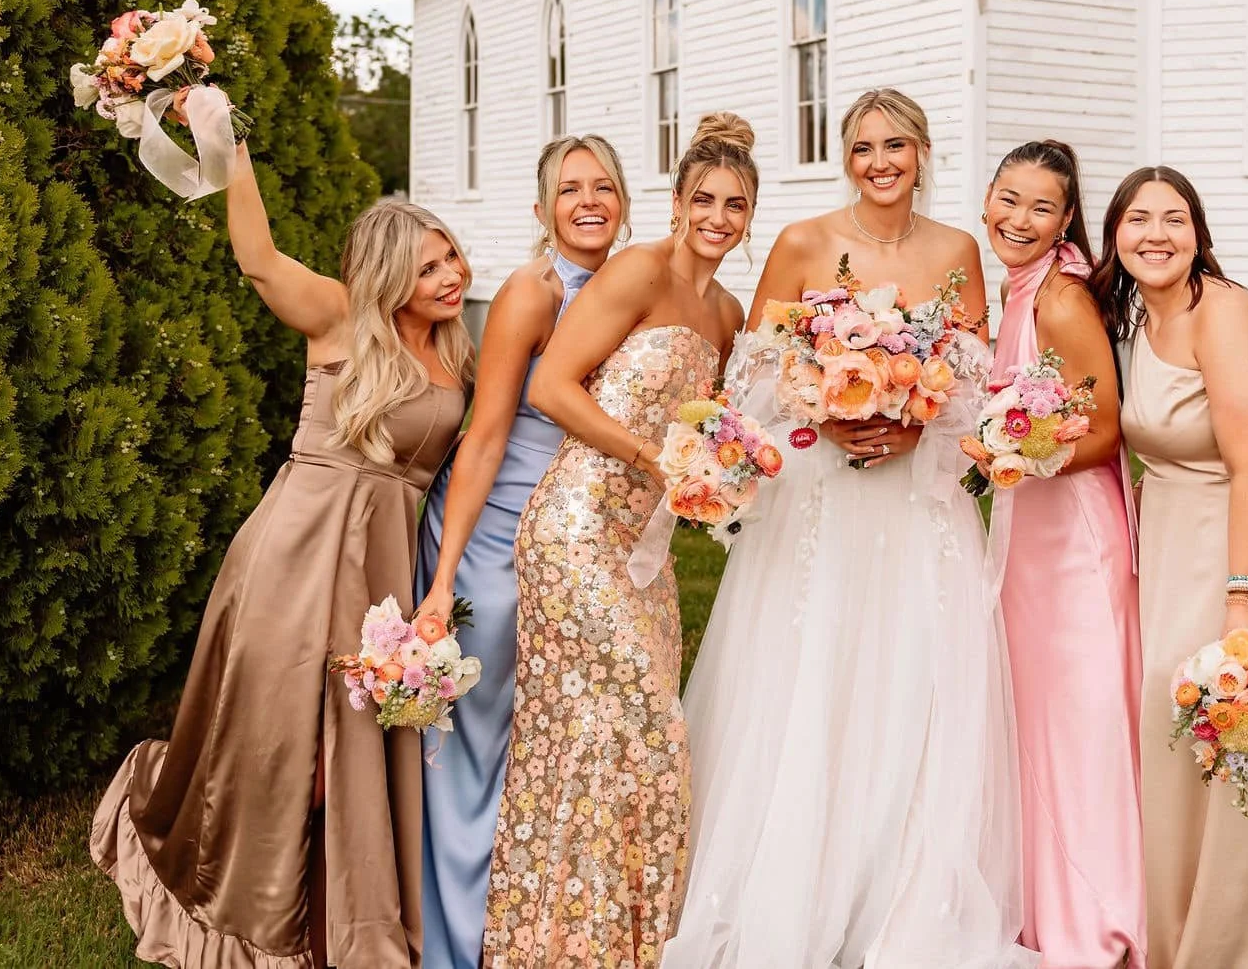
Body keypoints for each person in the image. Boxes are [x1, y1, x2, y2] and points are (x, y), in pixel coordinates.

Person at [92, 113, 472, 969]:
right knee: (277, 742)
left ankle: (337, 908)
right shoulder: (340, 319)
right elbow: (259, 258)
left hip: (381, 571)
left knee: (349, 747)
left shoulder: (457, 352)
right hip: (293, 553)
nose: (452, 275)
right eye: (430, 265)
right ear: (388, 274)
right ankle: (249, 899)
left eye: (452, 256)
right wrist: (233, 142)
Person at [664, 89, 1034, 969]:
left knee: (910, 674)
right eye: (863, 145)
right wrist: (822, 410)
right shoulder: (802, 241)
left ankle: (900, 893)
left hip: (915, 501)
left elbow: (976, 387)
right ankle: (791, 890)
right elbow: (749, 376)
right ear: (845, 155)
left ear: (922, 151)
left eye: (896, 145)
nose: (880, 161)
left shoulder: (957, 252)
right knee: (813, 676)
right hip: (822, 493)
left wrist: (920, 416)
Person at [481, 114, 754, 969]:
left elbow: (718, 425)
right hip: (573, 529)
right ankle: (558, 942)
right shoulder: (638, 270)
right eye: (703, 198)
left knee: (629, 735)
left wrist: (716, 472)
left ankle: (627, 937)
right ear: (674, 204)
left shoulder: (728, 311)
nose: (717, 215)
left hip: (647, 547)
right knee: (636, 726)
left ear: (750, 216)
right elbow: (554, 387)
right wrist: (655, 456)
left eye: (735, 204)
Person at [1094, 166, 1248, 969]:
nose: (1155, 234)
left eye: (1174, 218)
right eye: (1138, 218)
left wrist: (1244, 600)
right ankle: (1172, 929)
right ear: (1115, 233)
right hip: (1178, 529)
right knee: (1171, 726)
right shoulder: (1139, 313)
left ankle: (1232, 948)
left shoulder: (1221, 312)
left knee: (1227, 725)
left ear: (1198, 233)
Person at [411, 134, 632, 969]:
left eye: (602, 186)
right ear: (541, 209)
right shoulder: (529, 293)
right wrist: (441, 583)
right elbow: (486, 437)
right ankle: (456, 935)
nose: (588, 200)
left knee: (548, 737)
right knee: (477, 732)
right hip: (494, 541)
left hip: (579, 544)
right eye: (569, 188)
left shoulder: (627, 287)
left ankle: (532, 924)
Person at [983, 139, 1145, 967]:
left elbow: (1108, 429)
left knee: (1082, 719)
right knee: (1042, 718)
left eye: (1041, 207)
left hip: (1074, 538)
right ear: (986, 199)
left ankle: (1103, 910)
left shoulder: (1060, 300)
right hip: (1032, 536)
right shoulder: (1015, 293)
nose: (1019, 218)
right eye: (1008, 198)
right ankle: (1049, 894)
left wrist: (1014, 457)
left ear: (1067, 220)